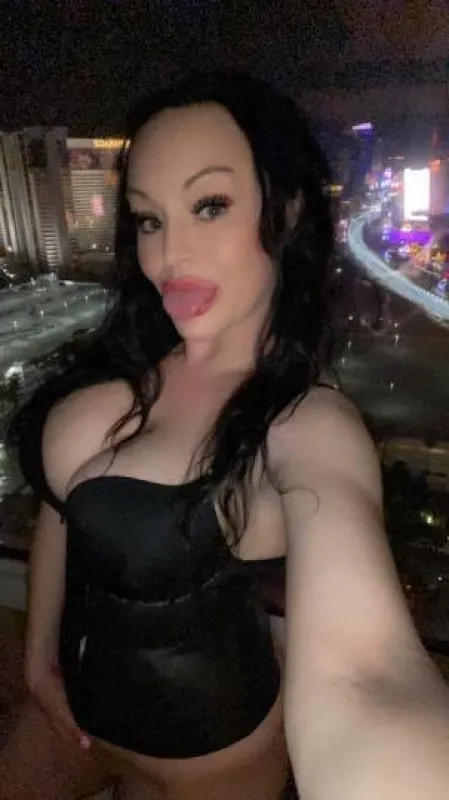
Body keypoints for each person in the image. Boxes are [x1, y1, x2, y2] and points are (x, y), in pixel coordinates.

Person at [1, 71, 449, 800]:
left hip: (211, 759)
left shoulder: (304, 421)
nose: (169, 254)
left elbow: (364, 670)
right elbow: (64, 511)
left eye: (209, 206)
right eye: (149, 220)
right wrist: (36, 660)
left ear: (287, 211)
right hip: (66, 719)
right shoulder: (123, 363)